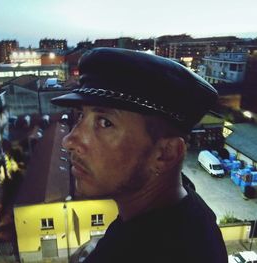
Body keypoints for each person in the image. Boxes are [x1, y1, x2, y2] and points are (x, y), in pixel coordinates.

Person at [51, 48, 228, 263]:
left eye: (105, 123)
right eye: (81, 116)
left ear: (166, 154)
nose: (69, 140)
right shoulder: (187, 212)